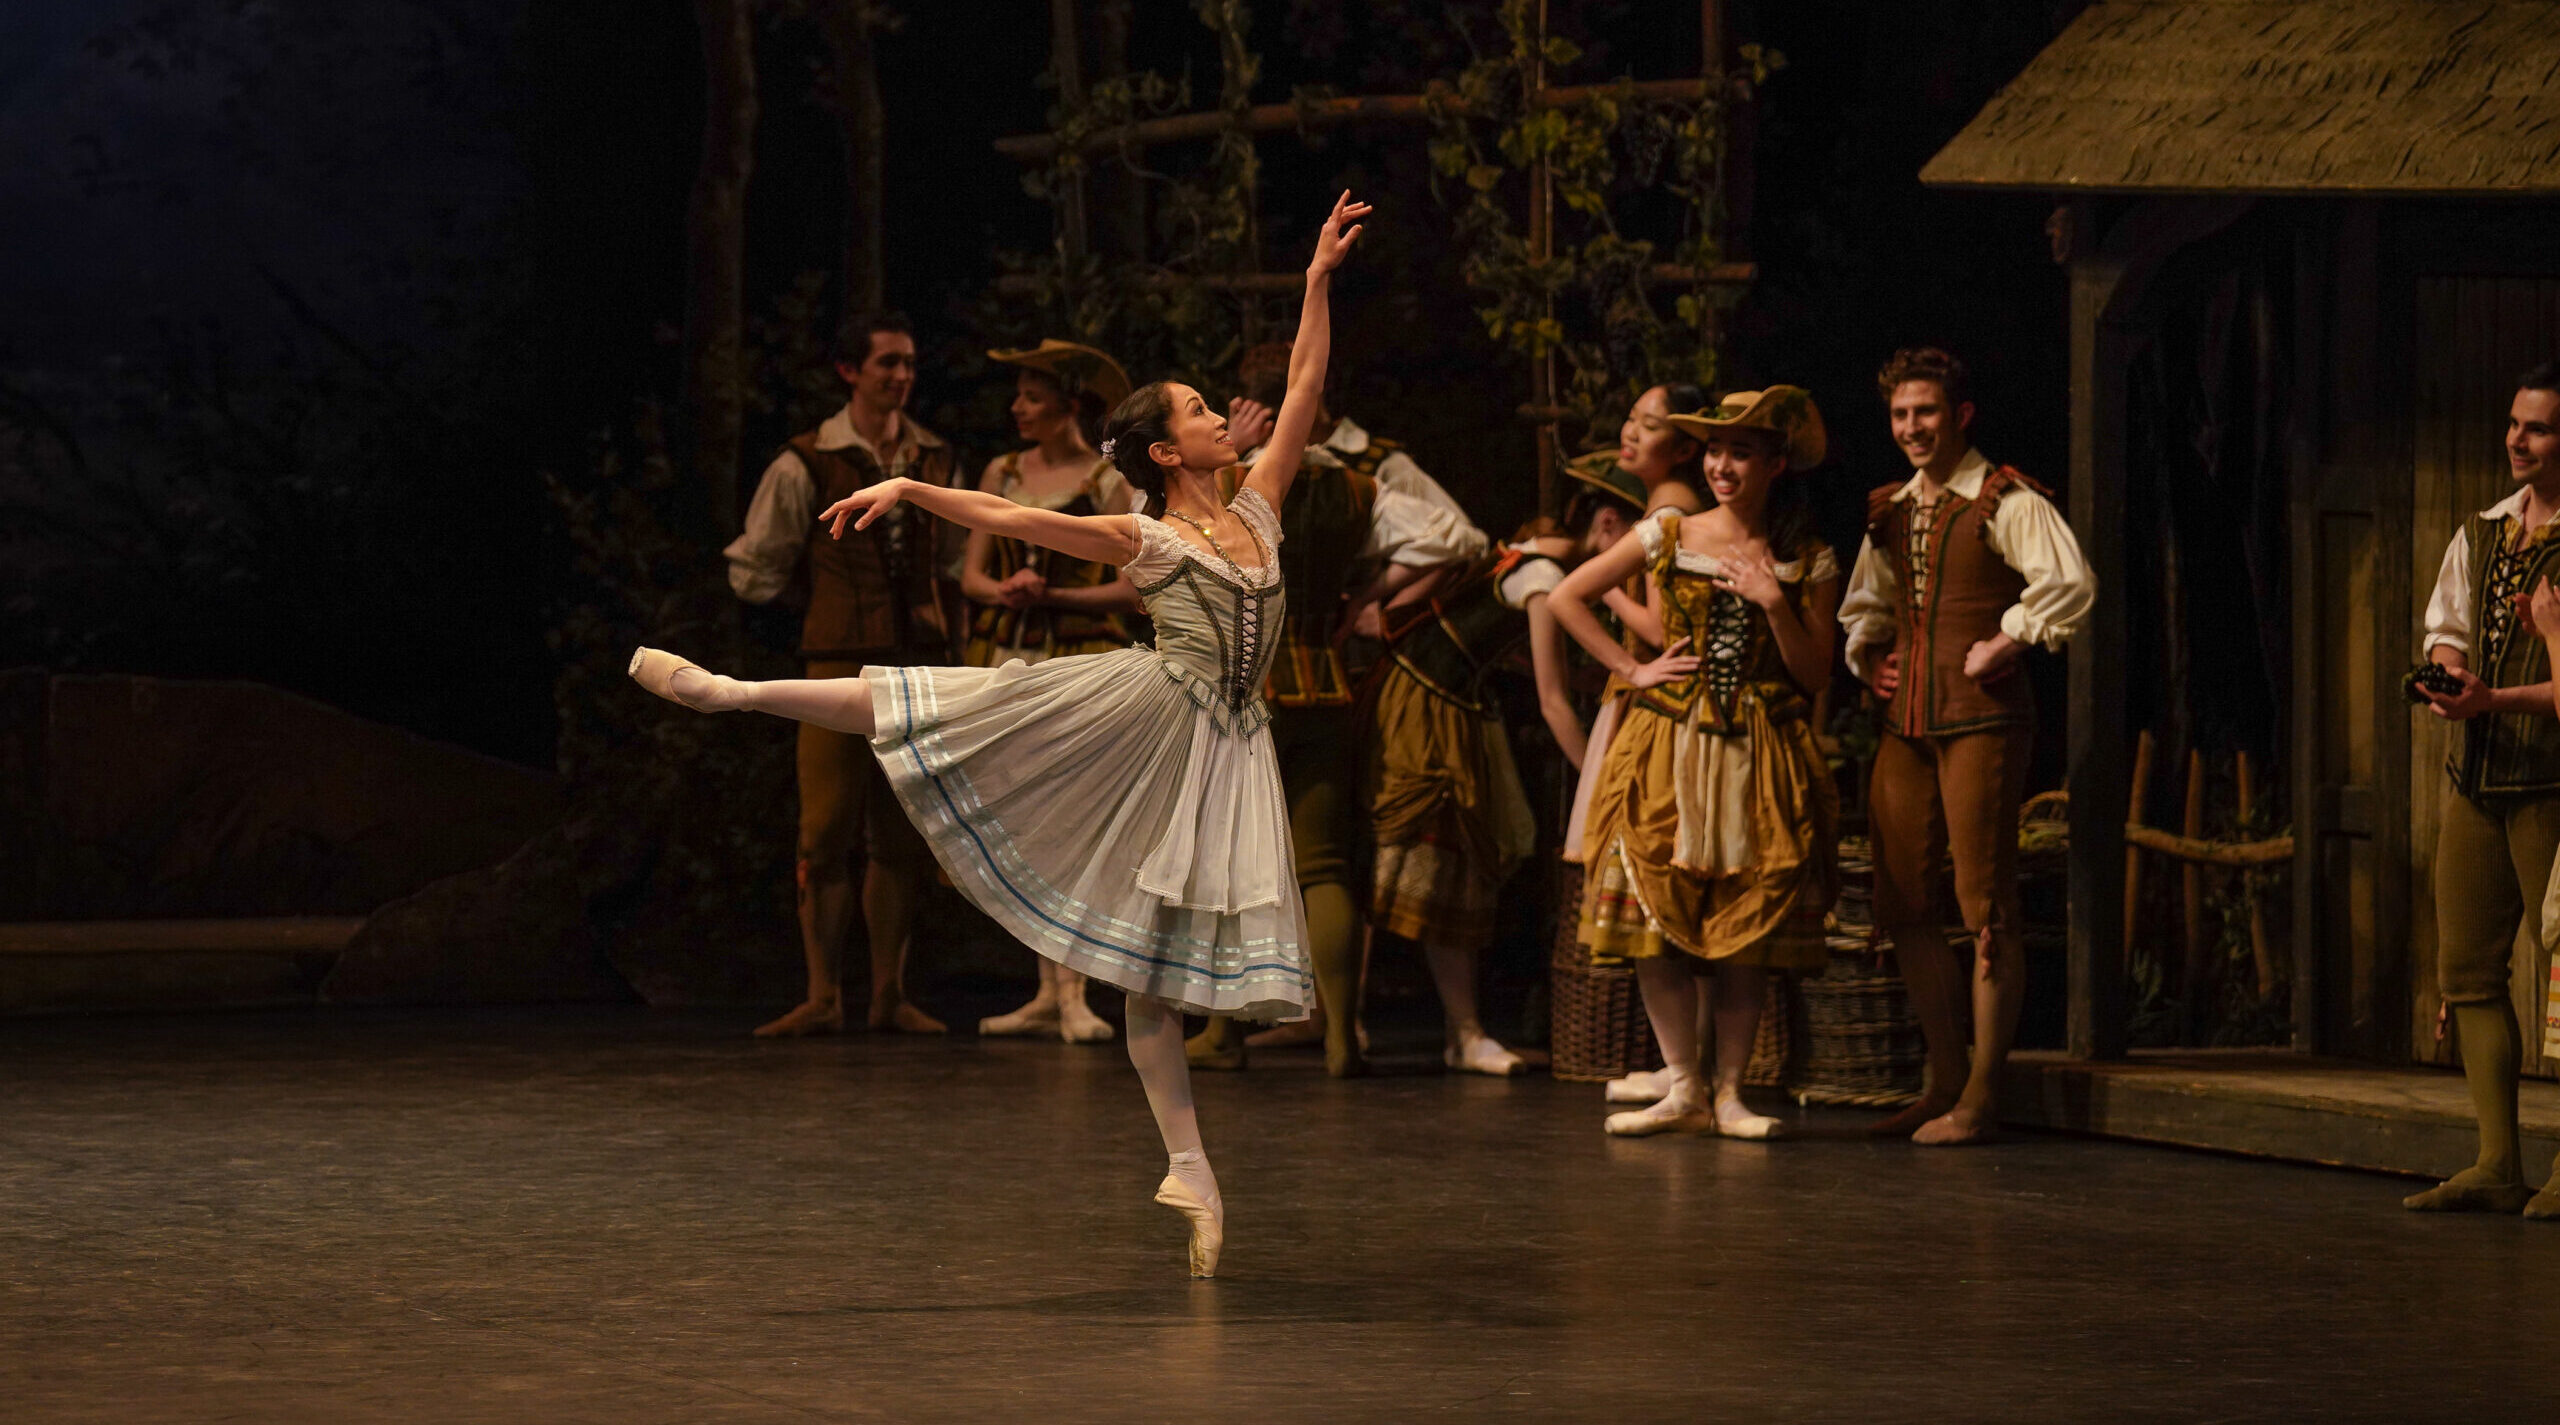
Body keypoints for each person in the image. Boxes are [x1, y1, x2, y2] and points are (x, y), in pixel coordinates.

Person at [631, 191, 1373, 1276]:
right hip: (1151, 717)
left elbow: (1306, 384)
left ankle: (1190, 1169)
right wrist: (908, 487)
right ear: (1168, 451)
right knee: (944, 703)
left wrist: (1314, 278)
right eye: (1204, 411)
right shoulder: (1148, 536)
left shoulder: (1259, 503)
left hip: (1226, 748)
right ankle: (734, 693)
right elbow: (1015, 520)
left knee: (1151, 976)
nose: (1228, 418)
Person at [1183, 344, 1488, 1076]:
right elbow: (1461, 538)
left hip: (1238, 689)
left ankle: (1224, 1034)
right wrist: (1367, 597)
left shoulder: (1221, 488)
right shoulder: (1353, 487)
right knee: (1321, 866)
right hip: (1322, 680)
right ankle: (1340, 1037)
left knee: (1230, 864)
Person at [1549, 387, 1841, 1138]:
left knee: (1746, 923)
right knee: (1656, 915)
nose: (1721, 464)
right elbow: (1568, 596)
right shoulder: (1671, 532)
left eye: (1740, 451)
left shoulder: (1805, 554)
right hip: (1669, 745)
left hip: (1757, 749)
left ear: (1775, 463)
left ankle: (1731, 1091)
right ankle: (1682, 1082)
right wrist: (1632, 666)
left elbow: (1815, 673)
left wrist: (1776, 602)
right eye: (1714, 449)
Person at [1837, 348, 2094, 1145]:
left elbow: (2070, 582)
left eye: (1927, 413)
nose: (1912, 428)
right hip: (1906, 721)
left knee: (1985, 904)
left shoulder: (2002, 499)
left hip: (1981, 718)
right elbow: (1866, 602)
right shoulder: (1891, 508)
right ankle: (1943, 1077)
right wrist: (1868, 654)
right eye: (1901, 415)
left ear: (1961, 416)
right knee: (1904, 898)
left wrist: (2007, 639)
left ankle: (1983, 1093)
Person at [1361, 467, 1648, 1075]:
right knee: (1440, 861)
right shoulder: (1543, 580)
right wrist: (1598, 783)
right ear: (1606, 526)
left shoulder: (1517, 554)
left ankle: (1450, 1029)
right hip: (1432, 714)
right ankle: (1461, 1032)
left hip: (1441, 701)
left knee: (1447, 862)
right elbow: (1551, 700)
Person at [723, 312, 956, 1039]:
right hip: (834, 666)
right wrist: (818, 604)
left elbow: (952, 560)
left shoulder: (934, 457)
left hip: (916, 669)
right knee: (823, 829)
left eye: (909, 363)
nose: (901, 376)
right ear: (849, 371)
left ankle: (888, 992)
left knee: (900, 832)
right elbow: (754, 569)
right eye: (887, 362)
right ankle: (823, 993)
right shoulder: (807, 460)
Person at [2407, 361, 2560, 1215]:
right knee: (2467, 965)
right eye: (2513, 423)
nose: (2516, 439)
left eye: (2536, 428)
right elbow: (2448, 626)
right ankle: (2498, 1159)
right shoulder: (2484, 531)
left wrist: (2493, 697)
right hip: (2480, 774)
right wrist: (2449, 677)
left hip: (2551, 780)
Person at [963, 339, 1145, 1044]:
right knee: (1026, 821)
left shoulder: (1104, 480)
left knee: (1077, 820)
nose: (1017, 408)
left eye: (1032, 397)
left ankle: (1076, 991)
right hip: (1007, 653)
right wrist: (1005, 589)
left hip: (1076, 652)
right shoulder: (1001, 471)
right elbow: (971, 576)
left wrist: (1058, 594)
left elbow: (1132, 587)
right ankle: (1046, 989)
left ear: (1069, 403)